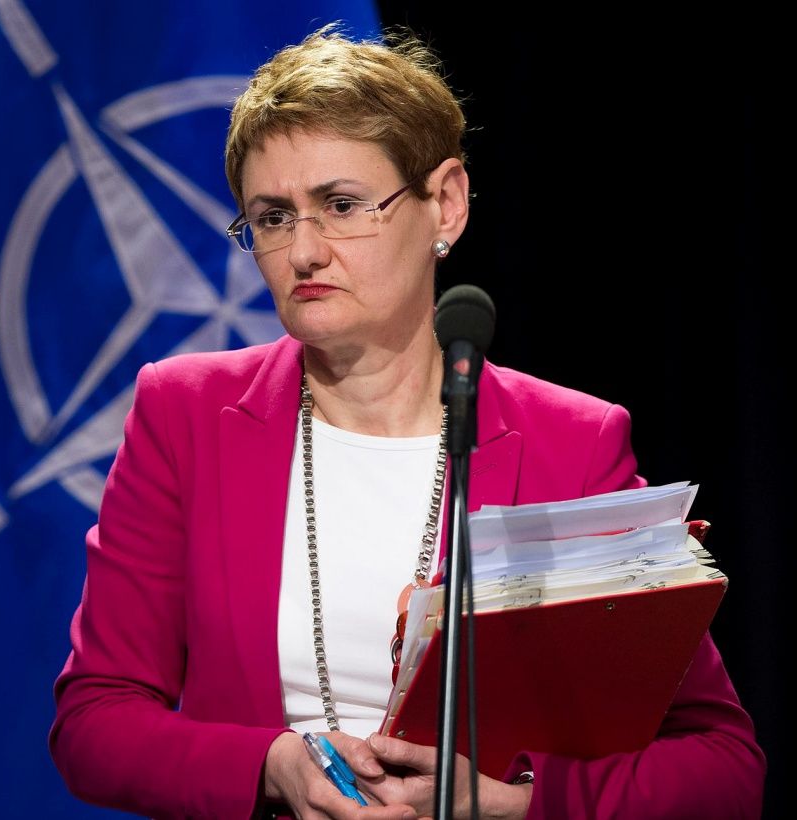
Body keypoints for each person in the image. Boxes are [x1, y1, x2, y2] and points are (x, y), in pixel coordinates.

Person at [49, 24, 765, 820]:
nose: (304, 252)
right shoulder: (186, 414)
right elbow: (94, 721)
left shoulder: (572, 442)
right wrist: (271, 765)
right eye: (273, 217)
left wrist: (510, 804)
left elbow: (722, 766)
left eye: (341, 205)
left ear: (445, 204)